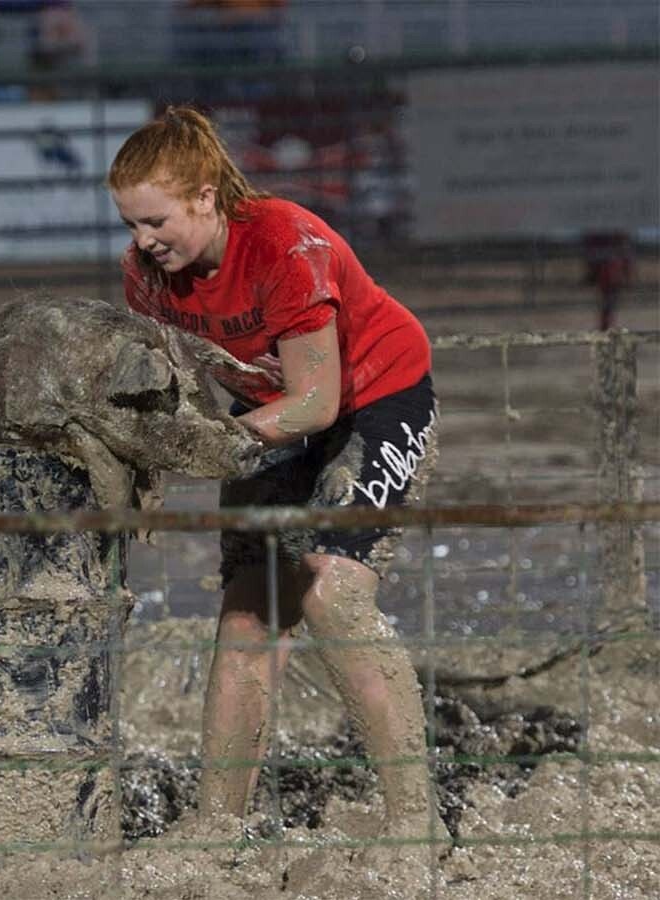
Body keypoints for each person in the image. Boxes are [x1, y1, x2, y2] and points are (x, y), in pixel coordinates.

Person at [107, 106, 439, 844]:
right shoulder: (145, 276)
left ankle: (418, 826)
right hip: (265, 409)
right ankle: (216, 832)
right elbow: (180, 389)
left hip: (373, 398)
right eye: (130, 224)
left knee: (328, 590)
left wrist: (198, 447)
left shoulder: (284, 243)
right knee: (248, 614)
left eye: (155, 220)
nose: (141, 241)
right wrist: (148, 465)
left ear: (204, 195)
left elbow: (317, 404)